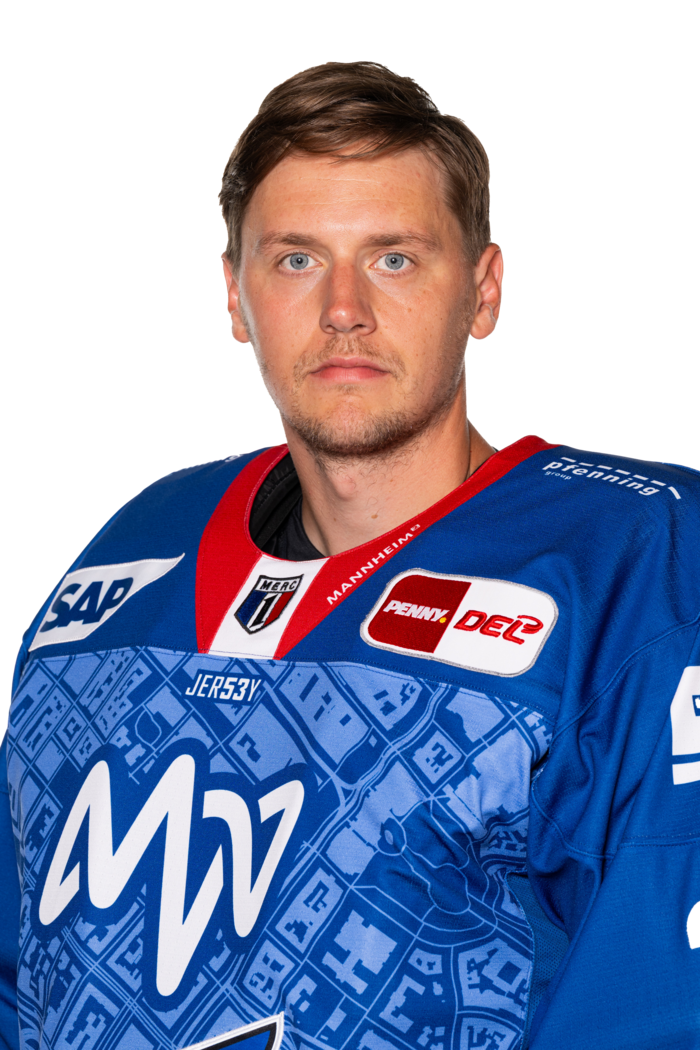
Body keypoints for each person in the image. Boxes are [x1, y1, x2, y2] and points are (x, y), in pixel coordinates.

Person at [2, 59, 698, 1050]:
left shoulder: (635, 559)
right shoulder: (135, 551)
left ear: (484, 291)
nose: (343, 308)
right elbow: (26, 972)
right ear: (235, 297)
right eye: (296, 260)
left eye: (394, 259)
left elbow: (651, 1005)